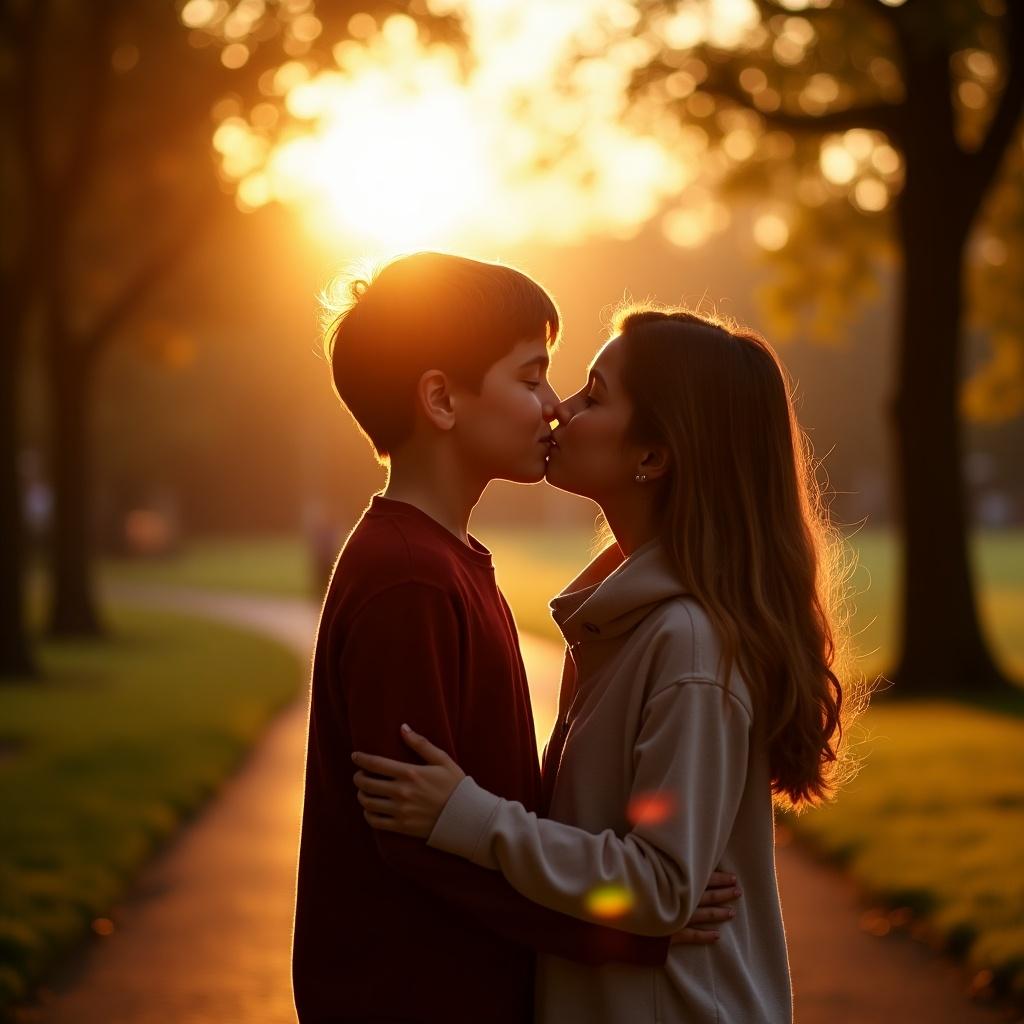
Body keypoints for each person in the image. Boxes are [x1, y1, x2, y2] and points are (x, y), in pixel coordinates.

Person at [352, 307, 866, 1023]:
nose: (560, 409)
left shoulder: (687, 645)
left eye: (593, 395)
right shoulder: (621, 625)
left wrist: (468, 818)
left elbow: (659, 888)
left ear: (652, 456)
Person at [292, 258, 740, 1024]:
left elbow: (477, 803)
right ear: (440, 399)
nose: (554, 407)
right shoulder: (410, 579)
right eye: (531, 379)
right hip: (413, 993)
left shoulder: (448, 562)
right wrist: (620, 931)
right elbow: (416, 836)